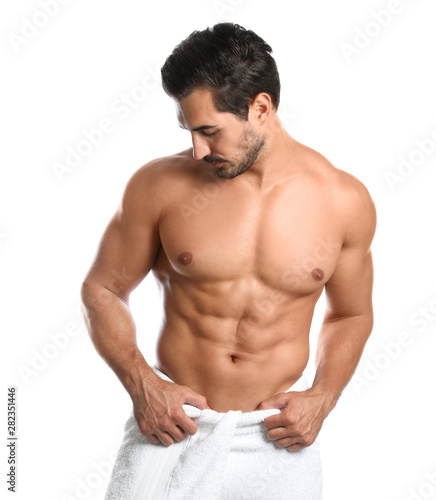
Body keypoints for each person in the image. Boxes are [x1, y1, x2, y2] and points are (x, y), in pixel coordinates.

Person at [81, 22, 376, 500]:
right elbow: (102, 289)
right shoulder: (159, 186)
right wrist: (142, 385)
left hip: (277, 437)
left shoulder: (343, 201)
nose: (198, 150)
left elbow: (351, 313)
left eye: (209, 131)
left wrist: (323, 397)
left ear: (260, 108)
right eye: (190, 131)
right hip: (173, 427)